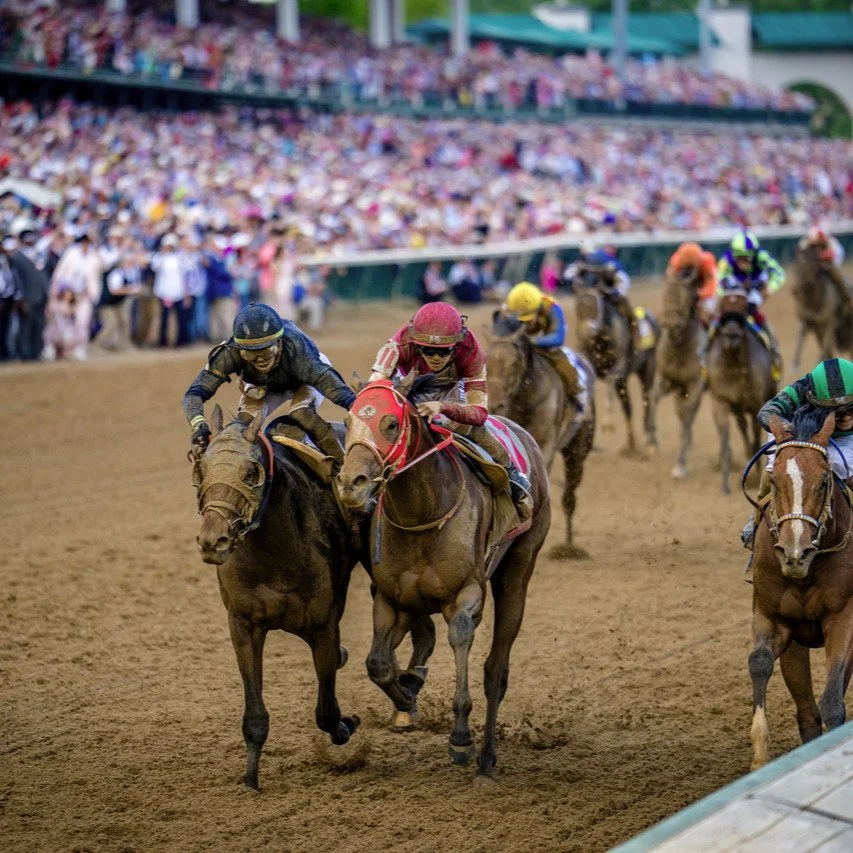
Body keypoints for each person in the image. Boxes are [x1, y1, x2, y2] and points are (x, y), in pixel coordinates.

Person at [368, 302, 532, 518]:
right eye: (428, 351)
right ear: (415, 344)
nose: (436, 358)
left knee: (468, 427)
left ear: (457, 345)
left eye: (444, 352)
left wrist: (443, 408)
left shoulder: (472, 350)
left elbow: (479, 414)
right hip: (409, 383)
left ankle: (511, 474)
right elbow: (374, 389)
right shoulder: (398, 345)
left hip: (453, 388)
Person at [182, 303, 354, 468]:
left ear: (279, 343)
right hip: (263, 387)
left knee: (301, 414)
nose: (260, 360)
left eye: (266, 351)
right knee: (241, 431)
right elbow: (194, 393)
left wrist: (354, 406)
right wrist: (199, 426)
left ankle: (343, 467)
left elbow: (337, 390)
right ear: (239, 349)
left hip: (304, 381)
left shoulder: (299, 352)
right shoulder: (229, 353)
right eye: (250, 354)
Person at [742, 357, 853, 575]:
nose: (846, 416)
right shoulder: (804, 386)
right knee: (776, 468)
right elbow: (767, 411)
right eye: (835, 411)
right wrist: (791, 433)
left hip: (848, 440)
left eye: (851, 407)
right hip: (806, 433)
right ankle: (755, 522)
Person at [503, 281, 583, 406]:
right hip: (518, 347)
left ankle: (576, 401)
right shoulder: (509, 308)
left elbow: (559, 337)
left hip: (546, 348)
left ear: (537, 308)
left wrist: (532, 342)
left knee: (568, 371)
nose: (526, 323)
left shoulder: (552, 306)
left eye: (529, 318)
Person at [716, 230, 785, 373]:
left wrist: (770, 288)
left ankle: (772, 348)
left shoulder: (761, 256)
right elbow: (717, 281)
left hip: (755, 288)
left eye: (746, 258)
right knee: (722, 315)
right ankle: (706, 351)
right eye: (739, 258)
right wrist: (725, 294)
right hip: (733, 289)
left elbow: (779, 273)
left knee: (752, 311)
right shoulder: (726, 259)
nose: (742, 262)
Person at [565, 242, 637, 341]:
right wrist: (573, 281)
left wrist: (615, 292)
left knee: (628, 312)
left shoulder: (612, 264)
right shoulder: (581, 263)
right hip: (589, 296)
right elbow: (569, 273)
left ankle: (635, 338)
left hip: (610, 297)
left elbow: (624, 281)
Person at [796, 226, 850, 306]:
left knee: (834, 273)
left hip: (831, 259)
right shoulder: (804, 243)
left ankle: (847, 298)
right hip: (815, 261)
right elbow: (802, 255)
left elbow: (833, 255)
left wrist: (823, 260)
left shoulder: (831, 243)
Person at [666, 242, 718, 322]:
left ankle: (711, 329)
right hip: (684, 290)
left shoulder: (708, 261)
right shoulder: (675, 261)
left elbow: (711, 287)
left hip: (702, 291)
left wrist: (698, 295)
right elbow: (670, 284)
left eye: (691, 267)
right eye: (686, 267)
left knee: (709, 308)